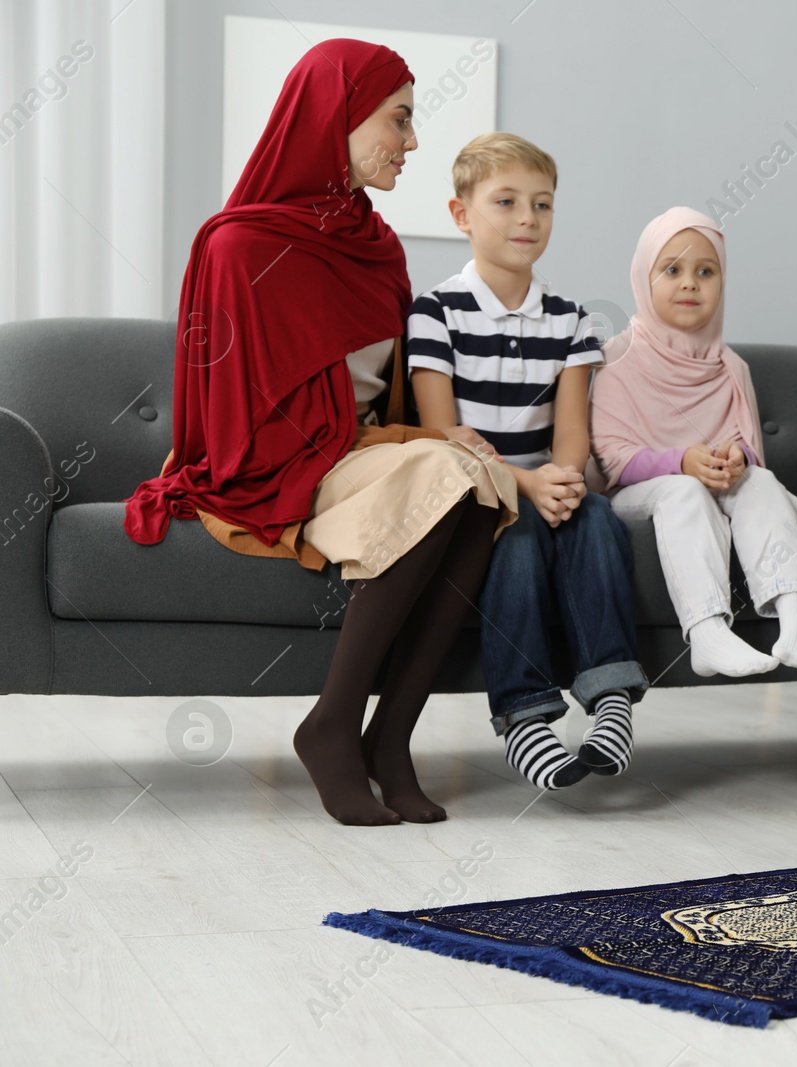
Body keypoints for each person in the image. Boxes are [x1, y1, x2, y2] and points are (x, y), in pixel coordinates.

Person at [125, 40, 518, 827]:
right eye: (399, 121)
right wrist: (408, 447)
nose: (412, 143)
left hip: (358, 458)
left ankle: (390, 737)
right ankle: (332, 724)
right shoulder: (238, 245)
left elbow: (377, 406)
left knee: (488, 479)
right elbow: (243, 421)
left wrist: (429, 438)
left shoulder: (379, 248)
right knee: (442, 472)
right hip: (274, 467)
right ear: (334, 118)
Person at [408, 133, 647, 791]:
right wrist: (526, 483)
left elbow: (571, 431)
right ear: (461, 215)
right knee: (509, 530)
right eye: (506, 201)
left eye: (542, 204)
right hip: (479, 491)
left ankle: (612, 702)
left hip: (549, 486)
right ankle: (525, 717)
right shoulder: (435, 313)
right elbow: (441, 431)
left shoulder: (570, 319)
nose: (527, 219)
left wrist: (563, 478)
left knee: (597, 517)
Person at [589, 207, 797, 679]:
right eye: (671, 270)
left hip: (709, 483)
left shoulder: (731, 367)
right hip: (638, 494)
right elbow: (611, 461)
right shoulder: (616, 359)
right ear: (643, 278)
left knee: (762, 482)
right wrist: (682, 462)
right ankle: (707, 632)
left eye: (705, 272)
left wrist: (737, 458)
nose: (690, 283)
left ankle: (794, 614)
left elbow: (747, 445)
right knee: (684, 490)